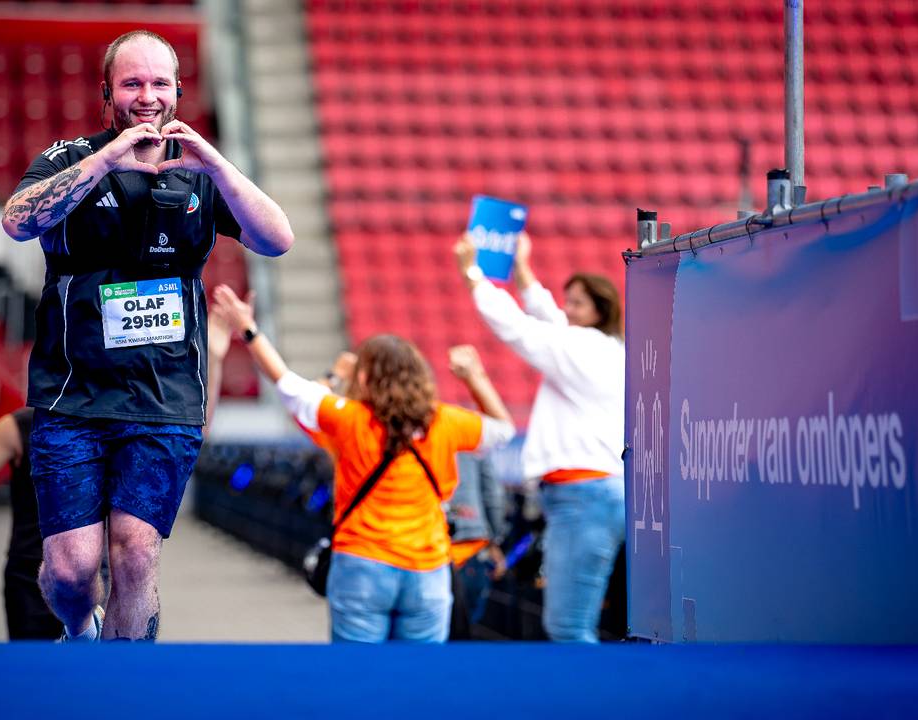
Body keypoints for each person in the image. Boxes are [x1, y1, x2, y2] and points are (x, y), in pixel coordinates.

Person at [0, 29, 293, 641]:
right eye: (132, 83)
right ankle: (80, 628)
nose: (147, 96)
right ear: (107, 93)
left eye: (160, 83)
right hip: (71, 397)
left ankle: (123, 681)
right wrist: (106, 160)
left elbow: (277, 239)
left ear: (178, 91)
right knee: (71, 569)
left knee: (135, 552)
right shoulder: (69, 159)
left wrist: (219, 165)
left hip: (166, 399)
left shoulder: (200, 171)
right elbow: (17, 221)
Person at [211, 285, 515, 643]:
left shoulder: (349, 419)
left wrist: (249, 330)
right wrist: (474, 377)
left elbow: (287, 383)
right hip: (428, 568)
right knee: (420, 671)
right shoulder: (445, 421)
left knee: (357, 670)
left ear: (365, 378)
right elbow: (503, 430)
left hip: (362, 563)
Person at [0, 309, 236, 640]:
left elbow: (192, 429)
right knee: (42, 659)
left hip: (96, 581)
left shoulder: (126, 430)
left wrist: (213, 359)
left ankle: (112, 660)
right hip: (31, 576)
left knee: (100, 627)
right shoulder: (19, 426)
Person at [454, 232, 626, 643]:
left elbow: (517, 327)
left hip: (582, 496)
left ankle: (594, 687)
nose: (567, 310)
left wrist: (472, 274)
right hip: (591, 494)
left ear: (598, 311)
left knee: (569, 627)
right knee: (575, 623)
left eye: (577, 303)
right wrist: (523, 270)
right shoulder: (603, 346)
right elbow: (549, 318)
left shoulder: (579, 346)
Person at [444, 347, 509, 640]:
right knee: (463, 634)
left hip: (423, 550)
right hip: (470, 547)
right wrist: (495, 540)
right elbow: (492, 494)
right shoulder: (470, 436)